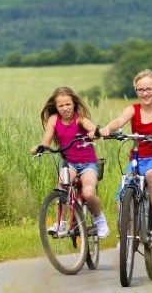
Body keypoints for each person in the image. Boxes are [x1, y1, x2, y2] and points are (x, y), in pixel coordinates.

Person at [97, 69, 152, 235]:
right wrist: (107, 128)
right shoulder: (133, 109)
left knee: (151, 175)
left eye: (149, 89)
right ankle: (128, 235)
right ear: (136, 91)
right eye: (141, 90)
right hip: (137, 159)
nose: (145, 93)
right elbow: (119, 121)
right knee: (122, 195)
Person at [31, 86, 109, 239]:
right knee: (62, 187)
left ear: (74, 104)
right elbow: (46, 141)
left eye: (68, 104)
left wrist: (95, 132)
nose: (65, 108)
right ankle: (61, 222)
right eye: (61, 105)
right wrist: (39, 148)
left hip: (88, 164)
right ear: (56, 107)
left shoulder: (80, 119)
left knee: (88, 192)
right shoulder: (54, 120)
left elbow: (93, 129)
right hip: (70, 163)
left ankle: (100, 220)